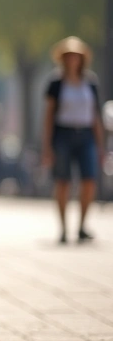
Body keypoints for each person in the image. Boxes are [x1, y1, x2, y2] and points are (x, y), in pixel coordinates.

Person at [43, 36, 105, 243]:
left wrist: (100, 144)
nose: (72, 60)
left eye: (76, 56)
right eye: (69, 56)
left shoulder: (90, 82)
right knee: (63, 181)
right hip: (63, 133)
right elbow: (49, 115)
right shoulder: (56, 83)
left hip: (86, 133)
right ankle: (63, 227)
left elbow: (95, 115)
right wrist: (47, 145)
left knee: (89, 180)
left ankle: (82, 226)